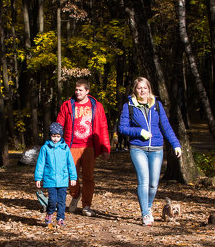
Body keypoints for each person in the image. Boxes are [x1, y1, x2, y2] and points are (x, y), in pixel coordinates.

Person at [119, 76, 181, 225]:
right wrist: (139, 132)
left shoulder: (157, 105)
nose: (142, 91)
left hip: (156, 149)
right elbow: (122, 128)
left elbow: (166, 127)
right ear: (135, 90)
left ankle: (148, 207)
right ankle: (145, 214)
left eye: (145, 88)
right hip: (137, 148)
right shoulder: (129, 106)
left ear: (149, 89)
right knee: (144, 181)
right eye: (139, 88)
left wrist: (176, 144)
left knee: (153, 184)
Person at [56, 79, 113, 216]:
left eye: (80, 90)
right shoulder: (68, 105)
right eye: (76, 90)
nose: (77, 92)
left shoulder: (96, 106)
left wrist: (106, 148)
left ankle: (87, 205)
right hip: (71, 146)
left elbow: (103, 127)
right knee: (70, 176)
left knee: (88, 177)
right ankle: (75, 195)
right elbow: (59, 124)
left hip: (89, 147)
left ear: (87, 91)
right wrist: (55, 145)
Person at [34, 122, 78, 227]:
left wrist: (73, 177)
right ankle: (49, 213)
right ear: (50, 136)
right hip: (50, 179)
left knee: (62, 201)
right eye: (54, 136)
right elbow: (40, 163)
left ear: (61, 136)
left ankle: (60, 218)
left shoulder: (65, 148)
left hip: (62, 179)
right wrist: (38, 178)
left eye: (58, 136)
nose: (55, 139)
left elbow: (70, 163)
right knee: (53, 200)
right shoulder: (45, 148)